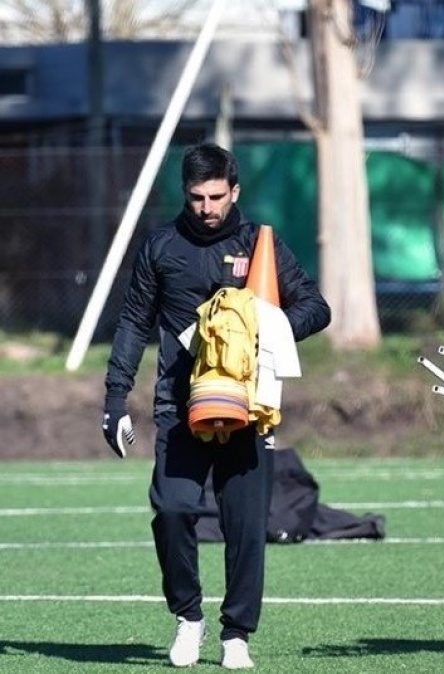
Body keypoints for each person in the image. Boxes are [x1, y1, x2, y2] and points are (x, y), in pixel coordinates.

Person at [102, 142, 331, 669]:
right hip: (181, 408)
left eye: (216, 197)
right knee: (174, 508)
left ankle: (236, 634)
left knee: (246, 525)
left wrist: (265, 329)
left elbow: (318, 308)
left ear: (235, 191)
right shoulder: (161, 247)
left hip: (249, 409)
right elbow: (135, 322)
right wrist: (115, 398)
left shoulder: (260, 246)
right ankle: (188, 616)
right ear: (185, 193)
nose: (206, 208)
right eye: (196, 197)